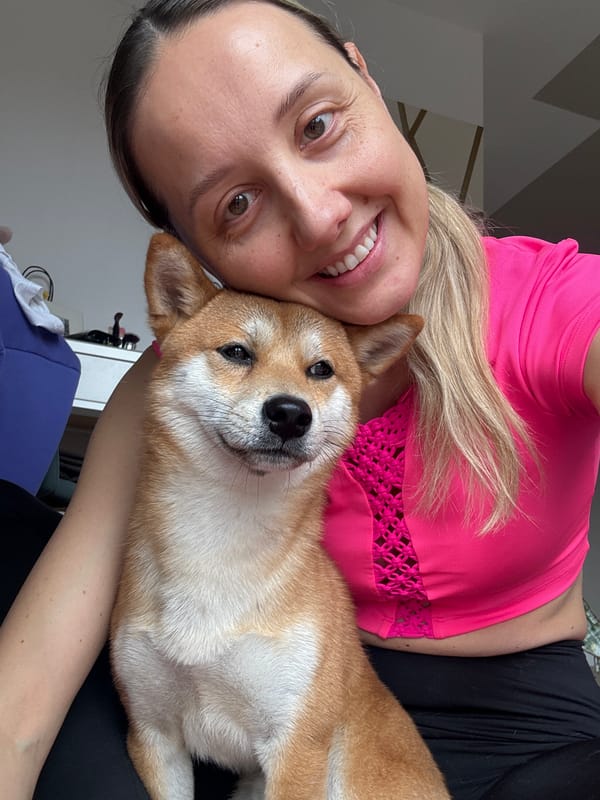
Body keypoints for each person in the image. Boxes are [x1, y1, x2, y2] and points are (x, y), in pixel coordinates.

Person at [1, 1, 599, 798]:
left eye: (317, 124)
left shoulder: (554, 305)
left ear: (368, 82)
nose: (321, 215)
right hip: (250, 701)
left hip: (525, 726)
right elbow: (25, 698)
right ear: (200, 252)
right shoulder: (172, 386)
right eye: (236, 205)